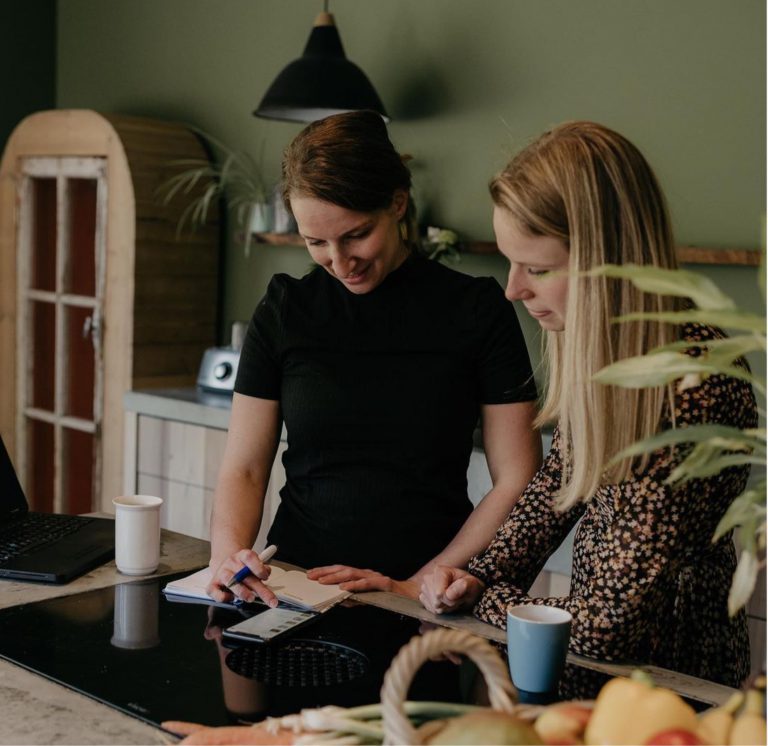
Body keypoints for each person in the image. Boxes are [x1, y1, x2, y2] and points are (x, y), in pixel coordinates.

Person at [419, 120, 756, 688]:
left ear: (609, 262)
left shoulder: (690, 389)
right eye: (511, 261)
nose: (513, 288)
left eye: (539, 268)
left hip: (663, 691)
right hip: (593, 678)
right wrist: (474, 574)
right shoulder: (615, 361)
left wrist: (485, 599)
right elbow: (557, 487)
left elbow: (605, 627)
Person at [205, 110, 542, 607]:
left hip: (426, 594)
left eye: (356, 235)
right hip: (296, 585)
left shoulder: (476, 309)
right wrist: (228, 558)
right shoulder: (284, 309)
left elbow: (517, 477)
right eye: (316, 242)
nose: (340, 263)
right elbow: (246, 468)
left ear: (397, 204)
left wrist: (420, 584)